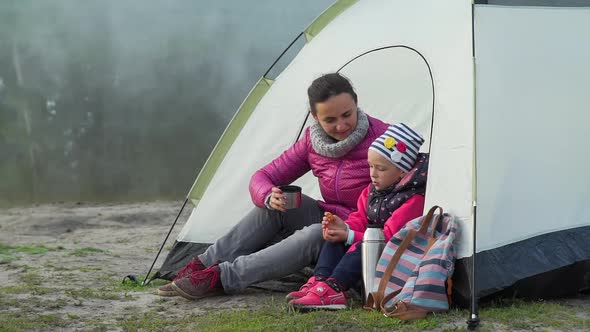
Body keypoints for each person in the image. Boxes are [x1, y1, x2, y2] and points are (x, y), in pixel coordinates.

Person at [156, 73, 389, 300]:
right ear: (314, 116)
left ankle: (223, 277)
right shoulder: (312, 141)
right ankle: (200, 266)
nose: (341, 126)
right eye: (330, 120)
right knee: (279, 203)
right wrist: (269, 196)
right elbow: (262, 176)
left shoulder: (385, 138)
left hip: (365, 230)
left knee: (317, 232)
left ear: (356, 103)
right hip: (331, 216)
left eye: (347, 114)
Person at [288, 123, 428, 310]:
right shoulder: (372, 191)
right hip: (370, 249)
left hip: (393, 257)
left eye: (381, 169)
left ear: (402, 171)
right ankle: (320, 283)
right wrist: (342, 228)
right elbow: (360, 218)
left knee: (362, 246)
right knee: (335, 239)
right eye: (370, 166)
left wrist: (351, 236)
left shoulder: (413, 199)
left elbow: (390, 238)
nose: (373, 174)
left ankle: (335, 289)